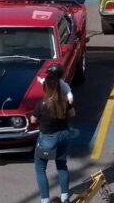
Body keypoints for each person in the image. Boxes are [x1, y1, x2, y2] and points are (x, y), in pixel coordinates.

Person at [33, 73, 75, 203]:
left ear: (45, 88)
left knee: (40, 169)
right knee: (62, 165)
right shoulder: (64, 101)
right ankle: (65, 197)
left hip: (48, 140)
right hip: (64, 136)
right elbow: (73, 114)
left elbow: (33, 120)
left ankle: (45, 200)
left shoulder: (42, 104)